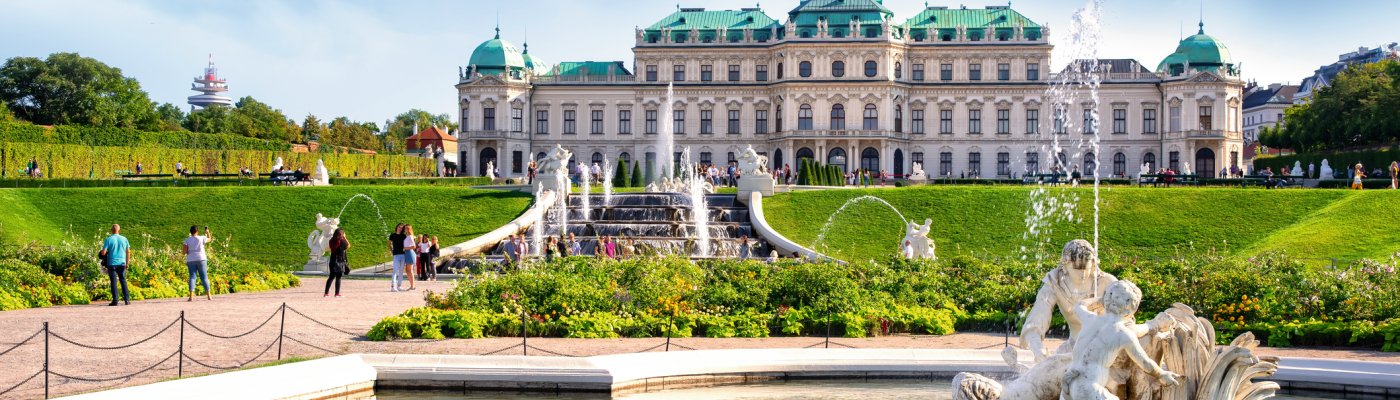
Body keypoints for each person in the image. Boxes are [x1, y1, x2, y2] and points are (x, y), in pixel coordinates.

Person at [1060, 280, 1181, 400]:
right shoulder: (1123, 334)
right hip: (1088, 389)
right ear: (1131, 310)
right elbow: (1145, 363)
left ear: (1105, 300)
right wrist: (1162, 374)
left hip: (1068, 383)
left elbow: (1079, 306)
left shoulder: (1090, 319)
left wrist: (1102, 300)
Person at [99, 224, 132, 306]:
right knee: (123, 280)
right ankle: (127, 300)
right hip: (122, 263)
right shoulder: (124, 239)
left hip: (112, 263)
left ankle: (115, 300)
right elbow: (128, 251)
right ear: (119, 230)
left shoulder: (109, 239)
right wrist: (127, 263)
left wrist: (102, 253)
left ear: (111, 230)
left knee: (113, 281)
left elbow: (103, 252)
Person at [182, 225, 213, 302]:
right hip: (201, 259)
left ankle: (191, 297)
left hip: (191, 259)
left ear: (190, 232)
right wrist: (207, 232)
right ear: (197, 231)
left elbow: (184, 252)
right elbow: (209, 239)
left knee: (192, 277)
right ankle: (209, 296)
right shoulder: (202, 238)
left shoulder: (187, 240)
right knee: (204, 277)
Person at [325, 228, 349, 297]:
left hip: (332, 261)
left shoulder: (331, 241)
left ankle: (326, 293)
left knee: (331, 277)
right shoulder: (342, 241)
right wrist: (345, 238)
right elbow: (348, 245)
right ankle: (337, 293)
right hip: (339, 261)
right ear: (341, 234)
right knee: (338, 277)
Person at [388, 224, 406, 292]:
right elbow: (389, 243)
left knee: (401, 270)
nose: (400, 229)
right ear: (397, 227)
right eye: (399, 227)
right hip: (396, 254)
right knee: (395, 270)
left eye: (402, 228)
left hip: (403, 254)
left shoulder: (403, 236)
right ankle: (393, 286)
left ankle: (399, 286)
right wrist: (391, 251)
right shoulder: (392, 235)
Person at [401, 225, 418, 290]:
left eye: (405, 228)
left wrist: (406, 248)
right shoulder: (407, 236)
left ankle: (412, 286)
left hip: (410, 253)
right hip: (407, 253)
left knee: (410, 270)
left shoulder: (410, 236)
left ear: (408, 229)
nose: (404, 229)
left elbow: (414, 246)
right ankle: (411, 285)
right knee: (407, 270)